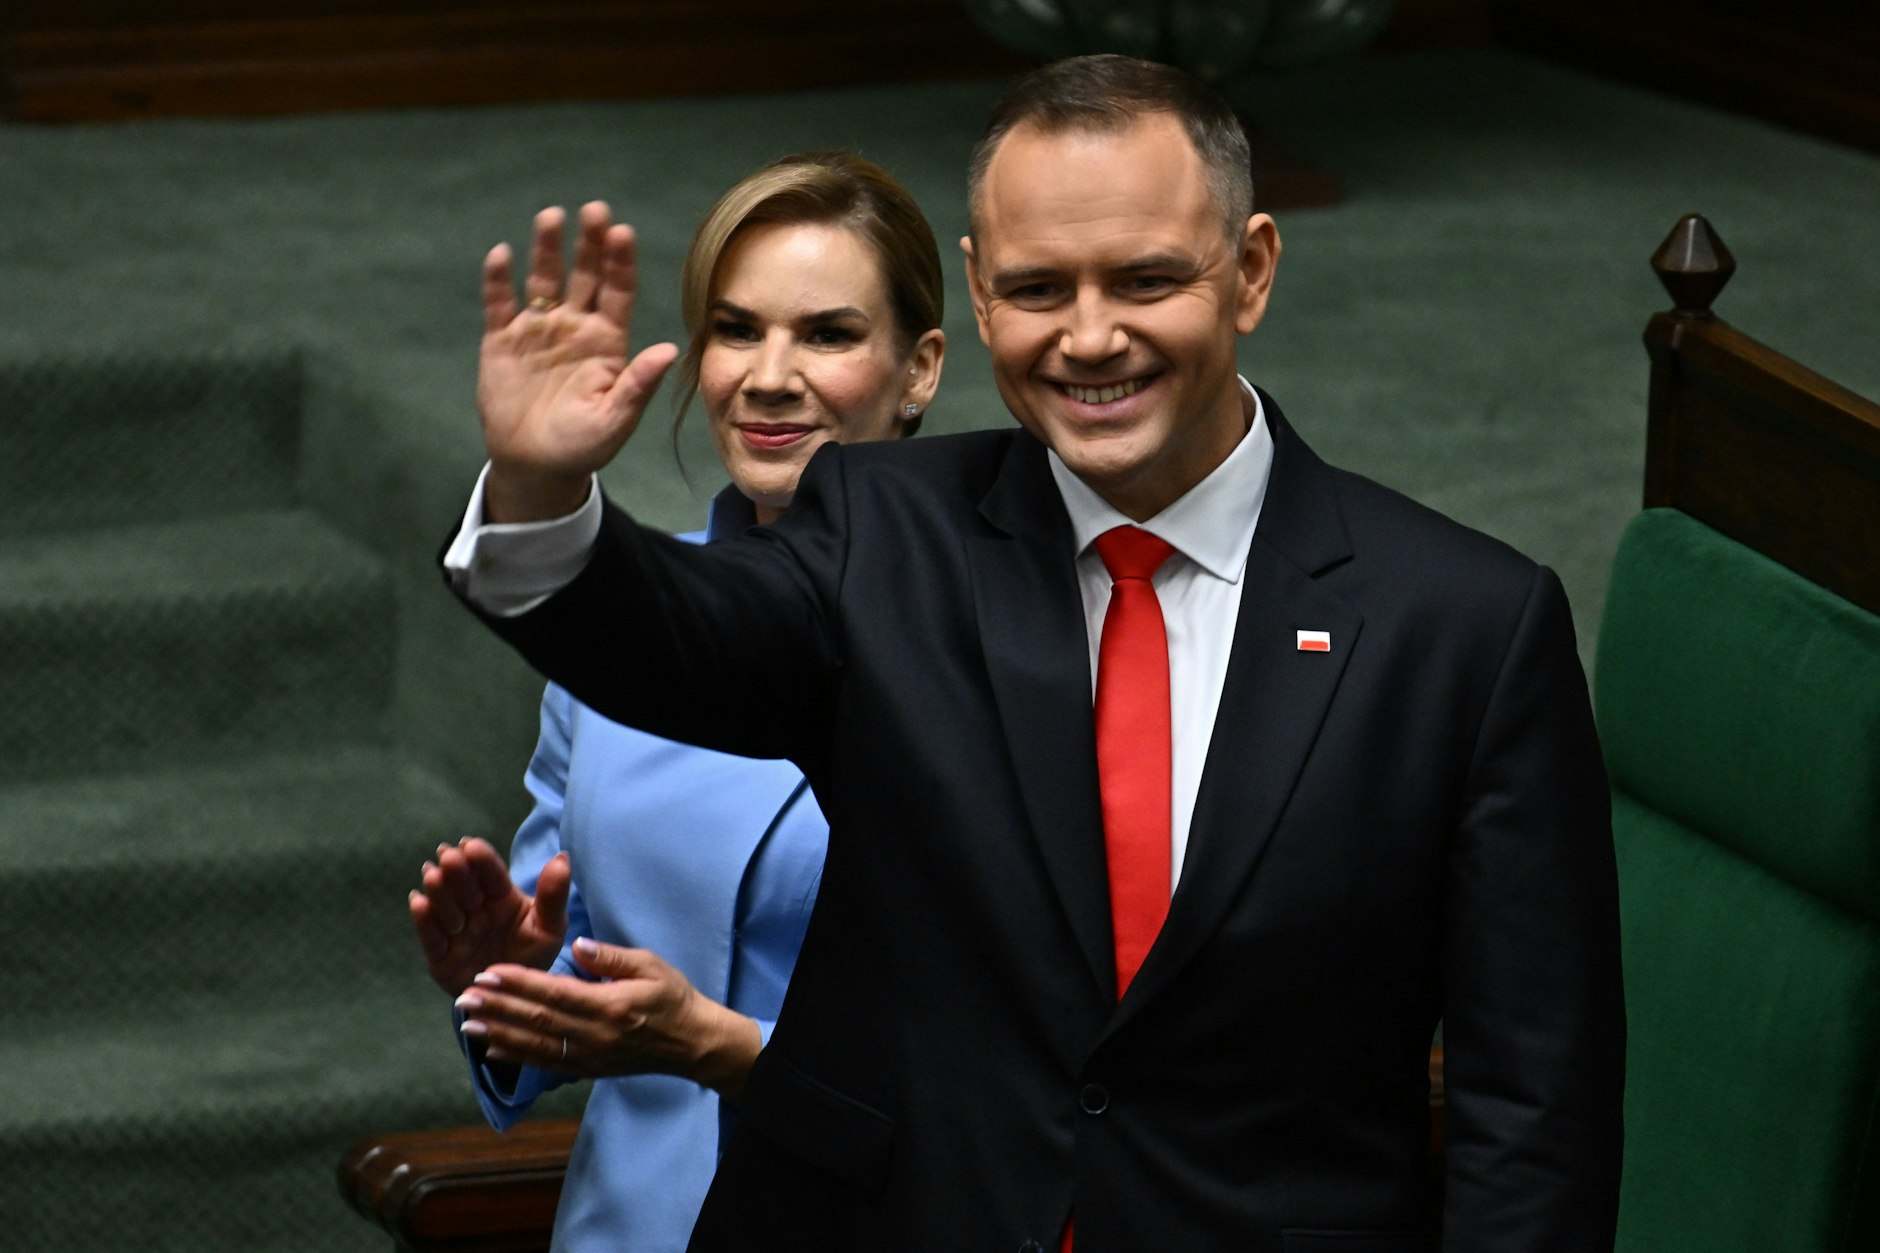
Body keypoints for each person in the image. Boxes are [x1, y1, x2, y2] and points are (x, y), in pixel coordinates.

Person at [442, 56, 1624, 1253]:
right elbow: (669, 638)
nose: (1090, 337)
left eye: (1146, 278)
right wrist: (543, 486)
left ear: (1251, 270)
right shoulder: (880, 532)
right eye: (1037, 288)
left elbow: (1531, 1103)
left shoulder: (1463, 626)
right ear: (977, 290)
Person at [410, 149, 945, 1253]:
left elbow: (1031, 1054)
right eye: (736, 329)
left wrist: (725, 1045)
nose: (767, 375)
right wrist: (513, 980)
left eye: (828, 335)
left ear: (920, 367)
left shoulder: (996, 626)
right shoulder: (618, 631)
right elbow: (579, 950)